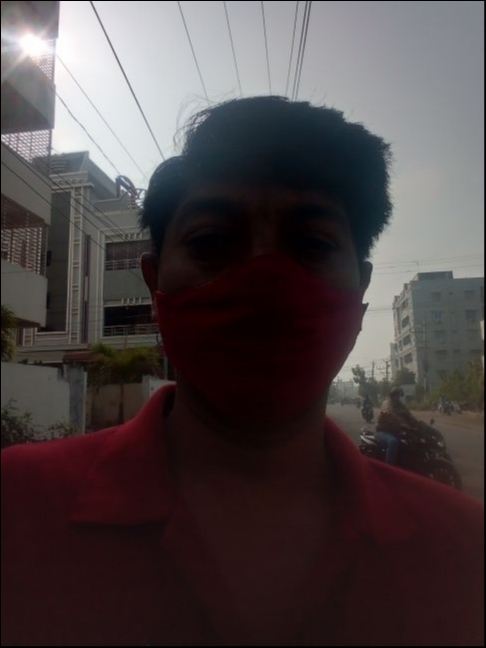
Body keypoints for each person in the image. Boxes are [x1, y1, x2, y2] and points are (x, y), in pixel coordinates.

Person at [2, 97, 483, 647]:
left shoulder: (465, 550)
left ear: (363, 286)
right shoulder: (14, 506)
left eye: (311, 244)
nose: (266, 282)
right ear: (155, 284)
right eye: (212, 242)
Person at [375, 387, 421, 465]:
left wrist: (418, 424)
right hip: (384, 432)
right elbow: (390, 413)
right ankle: (388, 467)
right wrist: (402, 423)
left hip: (397, 432)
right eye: (396, 394)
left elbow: (409, 414)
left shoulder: (400, 405)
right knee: (393, 442)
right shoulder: (387, 403)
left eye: (399, 395)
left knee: (413, 442)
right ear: (392, 395)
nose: (398, 397)